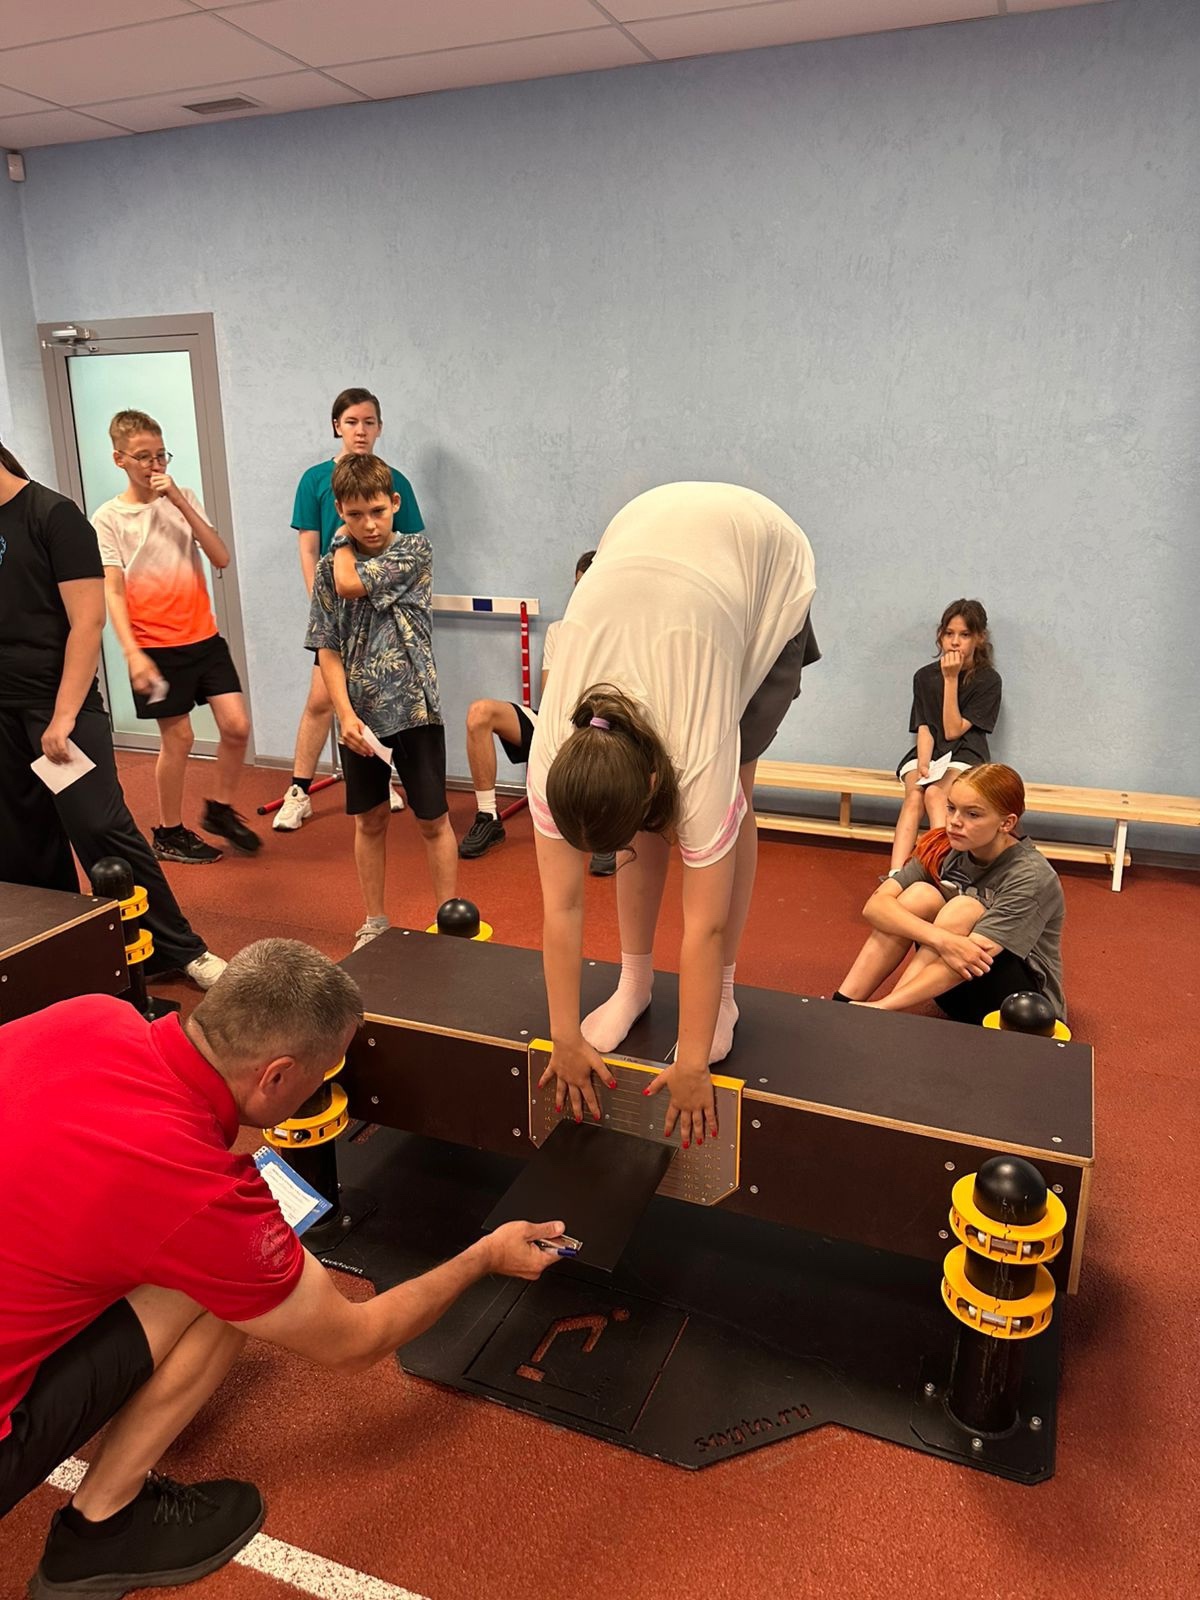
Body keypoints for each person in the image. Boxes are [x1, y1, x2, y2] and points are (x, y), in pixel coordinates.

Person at [0, 939, 564, 1596]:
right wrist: (486, 1254)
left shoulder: (90, 1014)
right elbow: (356, 1341)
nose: (320, 1088)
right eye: (318, 1075)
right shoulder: (203, 1195)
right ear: (276, 1076)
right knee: (225, 1287)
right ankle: (97, 1532)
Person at [528, 482, 819, 1147]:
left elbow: (704, 924)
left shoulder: (696, 750)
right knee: (644, 823)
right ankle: (634, 981)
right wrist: (563, 1036)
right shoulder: (552, 754)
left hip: (760, 566)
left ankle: (724, 996)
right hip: (647, 543)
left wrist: (691, 1063)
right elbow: (561, 906)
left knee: (731, 795)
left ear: (657, 777)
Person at [0, 437, 224, 989]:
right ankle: (52, 949)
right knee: (20, 834)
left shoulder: (53, 516)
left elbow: (87, 622)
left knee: (99, 825)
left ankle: (180, 949)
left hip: (57, 704)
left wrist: (63, 716)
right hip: (2, 708)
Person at [93, 409, 260, 863]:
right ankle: (168, 832)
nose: (155, 465)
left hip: (203, 637)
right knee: (180, 738)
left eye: (161, 455)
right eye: (143, 457)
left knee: (237, 726)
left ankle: (220, 810)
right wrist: (132, 653)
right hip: (154, 645)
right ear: (120, 459)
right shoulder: (109, 517)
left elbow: (220, 557)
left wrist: (180, 503)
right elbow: (112, 589)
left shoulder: (183, 497)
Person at [305, 454, 456, 950]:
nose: (369, 524)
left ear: (394, 503)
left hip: (415, 708)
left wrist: (340, 543)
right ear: (340, 513)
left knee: (432, 819)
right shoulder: (327, 569)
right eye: (354, 515)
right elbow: (327, 647)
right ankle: (375, 920)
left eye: (377, 511)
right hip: (360, 717)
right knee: (369, 820)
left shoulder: (414, 550)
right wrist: (344, 715)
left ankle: (449, 922)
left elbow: (351, 584)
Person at [276, 387, 423, 831]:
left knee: (379, 697)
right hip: (337, 611)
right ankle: (299, 791)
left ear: (380, 428)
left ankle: (381, 778)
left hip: (382, 610)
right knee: (322, 698)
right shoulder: (315, 480)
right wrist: (321, 608)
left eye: (369, 422)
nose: (361, 431)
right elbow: (308, 548)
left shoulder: (396, 482)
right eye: (352, 422)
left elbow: (408, 545)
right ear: (336, 426)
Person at [833, 763, 1066, 1024]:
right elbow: (875, 907)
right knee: (920, 895)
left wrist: (883, 1006)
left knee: (964, 907)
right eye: (951, 808)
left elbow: (974, 955)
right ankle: (841, 1003)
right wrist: (942, 940)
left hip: (1018, 1005)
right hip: (954, 989)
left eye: (973, 814)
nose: (955, 822)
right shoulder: (942, 847)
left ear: (1006, 823)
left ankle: (887, 1014)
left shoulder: (1032, 875)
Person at [458, 549, 615, 875]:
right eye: (577, 586)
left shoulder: (618, 634)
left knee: (613, 728)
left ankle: (611, 829)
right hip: (556, 722)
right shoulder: (559, 631)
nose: (581, 595)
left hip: (602, 728)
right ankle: (488, 817)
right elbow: (551, 692)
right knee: (480, 713)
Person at [887, 599, 1001, 874]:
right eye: (949, 633)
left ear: (979, 638)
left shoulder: (988, 680)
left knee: (936, 794)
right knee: (915, 796)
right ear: (941, 635)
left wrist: (950, 679)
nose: (955, 642)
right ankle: (895, 874)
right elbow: (925, 726)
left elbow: (952, 730)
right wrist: (923, 763)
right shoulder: (924, 677)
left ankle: (941, 869)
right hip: (929, 751)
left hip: (965, 752)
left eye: (964, 634)